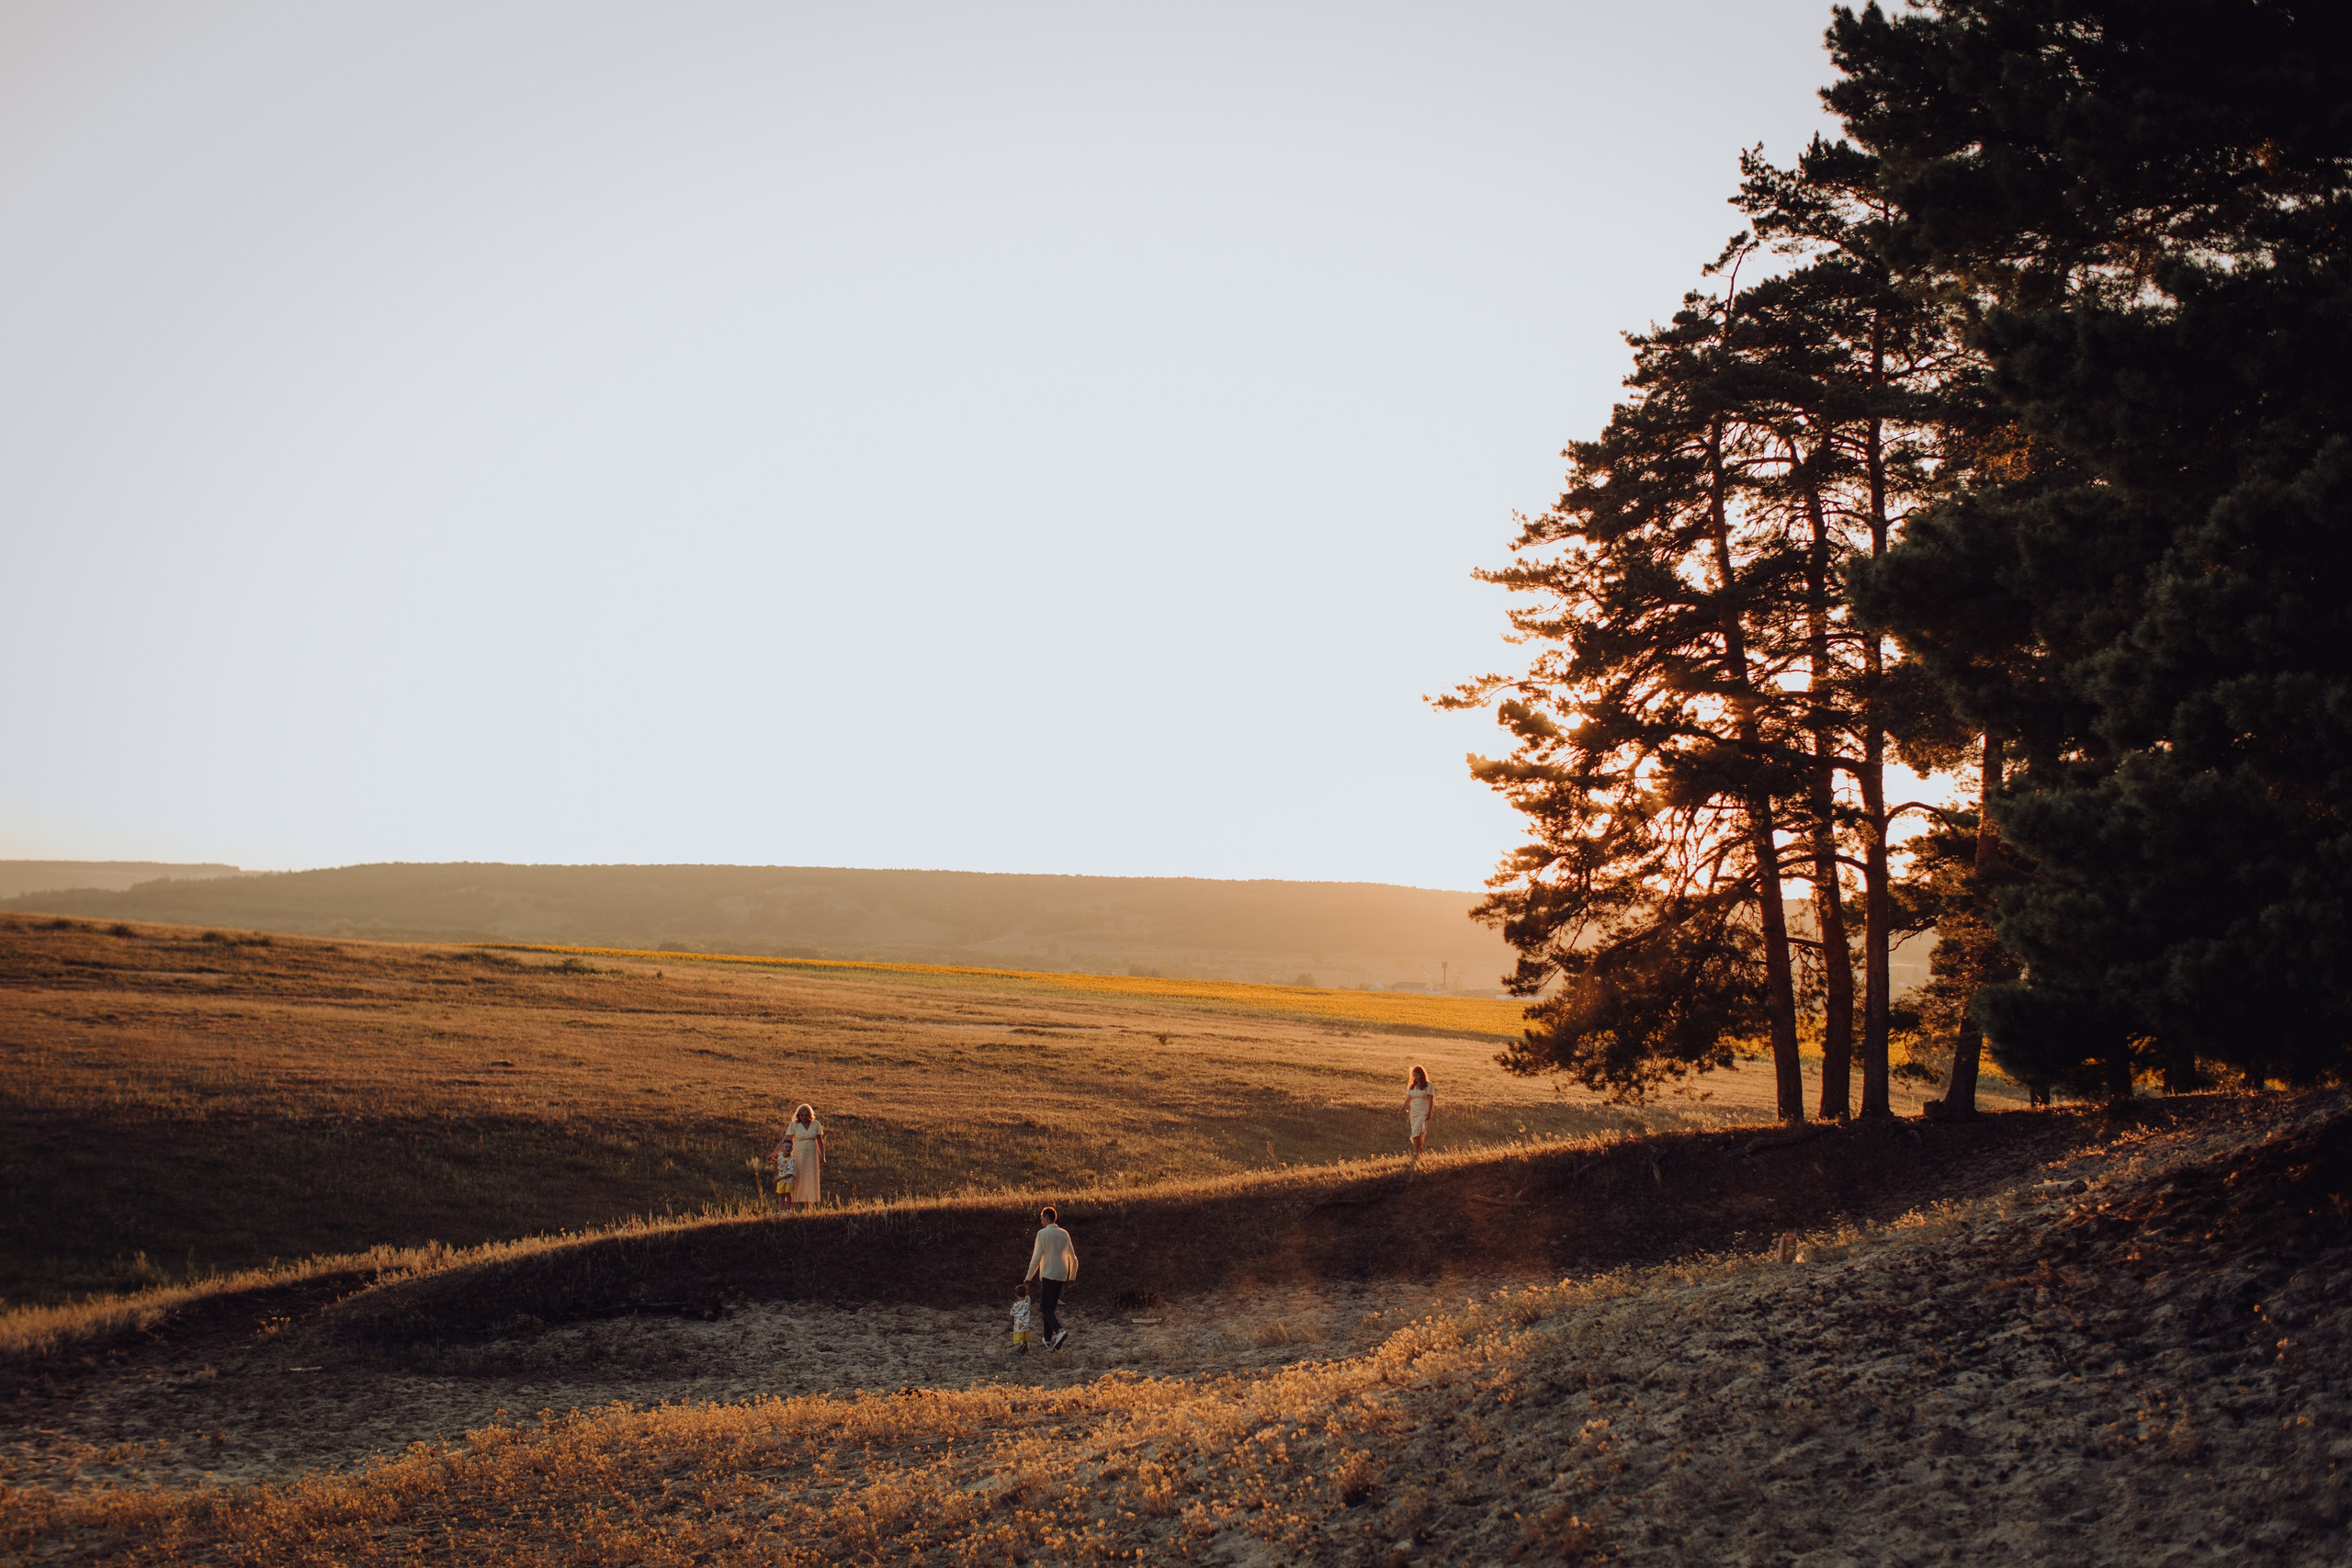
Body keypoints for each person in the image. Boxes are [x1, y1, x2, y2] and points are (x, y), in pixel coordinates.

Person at [1022, 1205, 1078, 1349]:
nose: (1041, 1221)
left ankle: (1060, 1331)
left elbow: (1036, 1257)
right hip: (1061, 1275)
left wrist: (1028, 1277)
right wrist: (1072, 1276)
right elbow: (1073, 1258)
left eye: (1042, 1219)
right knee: (1050, 1308)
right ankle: (1047, 1340)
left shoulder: (1043, 1234)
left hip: (1048, 1274)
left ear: (1046, 1218)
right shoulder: (1064, 1234)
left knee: (1045, 1308)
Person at [783, 1103, 826, 1212]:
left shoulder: (816, 1124)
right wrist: (775, 1154)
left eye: (806, 1115)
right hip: (798, 1155)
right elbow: (786, 1141)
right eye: (802, 1115)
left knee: (809, 1179)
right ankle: (790, 1208)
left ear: (810, 1115)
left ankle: (807, 1208)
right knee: (795, 1178)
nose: (804, 1117)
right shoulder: (794, 1125)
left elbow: (820, 1141)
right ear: (799, 1115)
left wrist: (823, 1157)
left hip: (811, 1157)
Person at [1405, 1066, 1434, 1163]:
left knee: (1417, 1133)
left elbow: (1430, 1100)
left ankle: (1416, 1154)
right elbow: (1409, 1099)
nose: (1415, 1077)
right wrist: (1401, 1110)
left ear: (1421, 1075)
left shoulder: (1428, 1085)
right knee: (1417, 1133)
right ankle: (1419, 1153)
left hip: (1423, 1111)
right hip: (1414, 1112)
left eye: (1417, 1075)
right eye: (1414, 1075)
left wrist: (1429, 1112)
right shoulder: (1413, 1086)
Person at [1011, 1282, 1033, 1354]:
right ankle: (1025, 1346)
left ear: (1016, 1295)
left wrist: (1013, 1306)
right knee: (1025, 1336)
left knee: (1019, 1338)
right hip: (1027, 1324)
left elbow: (1011, 1314)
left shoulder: (1016, 1305)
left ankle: (1021, 1345)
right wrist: (1027, 1287)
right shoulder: (1027, 1301)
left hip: (1019, 1325)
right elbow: (1028, 1295)